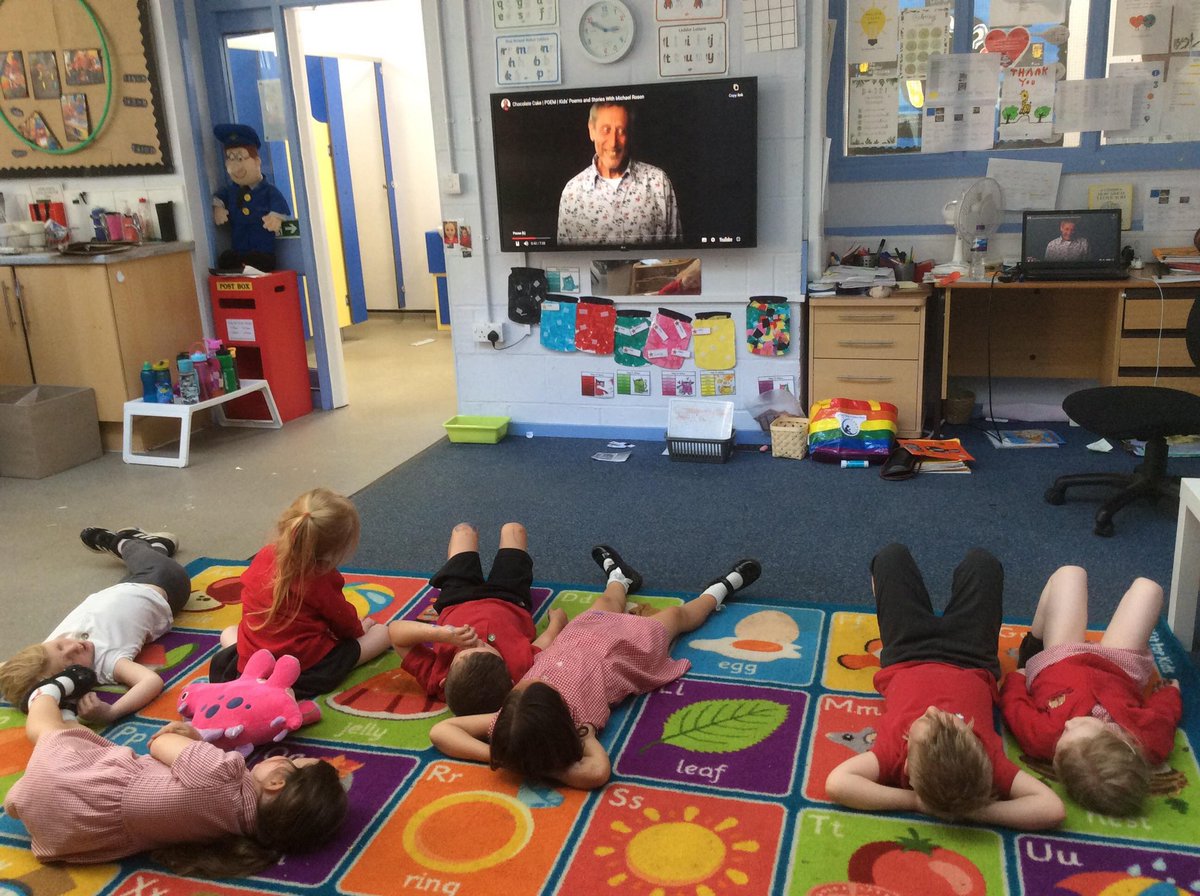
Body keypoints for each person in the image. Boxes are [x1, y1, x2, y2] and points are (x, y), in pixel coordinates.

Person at [429, 547, 761, 789]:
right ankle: (720, 590)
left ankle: (620, 577)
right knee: (675, 617)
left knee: (605, 603)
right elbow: (597, 771)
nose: (529, 683)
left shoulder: (508, 719)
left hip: (581, 635)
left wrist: (502, 758)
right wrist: (545, 767)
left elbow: (441, 731)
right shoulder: (578, 725)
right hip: (624, 653)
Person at [4, 665, 346, 875]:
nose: (281, 756)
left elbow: (158, 744)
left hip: (76, 785)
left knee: (54, 735)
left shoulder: (223, 772)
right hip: (70, 832)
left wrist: (191, 738)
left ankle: (45, 694)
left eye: (290, 761)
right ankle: (62, 718)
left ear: (275, 782)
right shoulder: (238, 833)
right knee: (75, 744)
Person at [824, 543, 1064, 830]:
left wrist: (915, 802)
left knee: (891, 557)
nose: (933, 708)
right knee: (983, 564)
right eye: (955, 721)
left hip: (907, 652)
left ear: (906, 767)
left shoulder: (892, 755)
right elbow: (1052, 808)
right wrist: (972, 809)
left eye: (925, 719)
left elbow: (837, 784)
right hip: (972, 656)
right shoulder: (985, 761)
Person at [999, 566, 1182, 816]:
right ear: (1115, 736)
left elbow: (1014, 705)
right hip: (1121, 665)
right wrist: (1170, 692)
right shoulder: (1146, 740)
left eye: (1061, 740)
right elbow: (1164, 717)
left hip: (1058, 657)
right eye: (1078, 727)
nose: (1067, 726)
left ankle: (1034, 642)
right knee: (1149, 590)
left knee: (1070, 574)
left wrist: (1018, 678)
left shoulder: (1042, 737)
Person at [208, 488, 391, 699]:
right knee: (384, 633)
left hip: (250, 664)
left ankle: (255, 677)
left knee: (229, 631)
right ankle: (274, 681)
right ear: (338, 548)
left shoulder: (264, 555)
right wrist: (361, 630)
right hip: (301, 670)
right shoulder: (319, 577)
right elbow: (345, 624)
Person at [0, 526, 186, 723]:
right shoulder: (107, 662)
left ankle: (156, 547)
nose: (73, 646)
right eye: (71, 661)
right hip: (164, 583)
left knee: (144, 560)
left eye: (60, 645)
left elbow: (7, 668)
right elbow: (150, 681)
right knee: (144, 557)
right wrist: (112, 712)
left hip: (122, 587)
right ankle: (122, 542)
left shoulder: (45, 656)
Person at [389, 522, 567, 716]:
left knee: (463, 531)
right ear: (511, 681)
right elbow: (544, 643)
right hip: (509, 597)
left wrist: (443, 634)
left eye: (467, 647)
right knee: (514, 529)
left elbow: (396, 633)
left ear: (445, 680)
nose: (476, 640)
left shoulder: (437, 677)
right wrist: (558, 622)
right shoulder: (517, 671)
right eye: (484, 647)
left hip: (457, 598)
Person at [557, 101, 681, 248]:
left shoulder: (658, 182)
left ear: (629, 134)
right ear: (592, 131)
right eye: (606, 130)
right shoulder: (572, 192)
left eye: (621, 131)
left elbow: (677, 253)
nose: (613, 143)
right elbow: (565, 261)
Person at [211, 123, 291, 272]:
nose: (235, 166)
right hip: (239, 248)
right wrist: (218, 208)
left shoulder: (268, 191)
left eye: (240, 158)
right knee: (227, 259)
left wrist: (276, 217)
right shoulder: (230, 191)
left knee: (259, 261)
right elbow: (218, 198)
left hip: (262, 250)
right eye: (231, 158)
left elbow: (279, 204)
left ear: (257, 161)